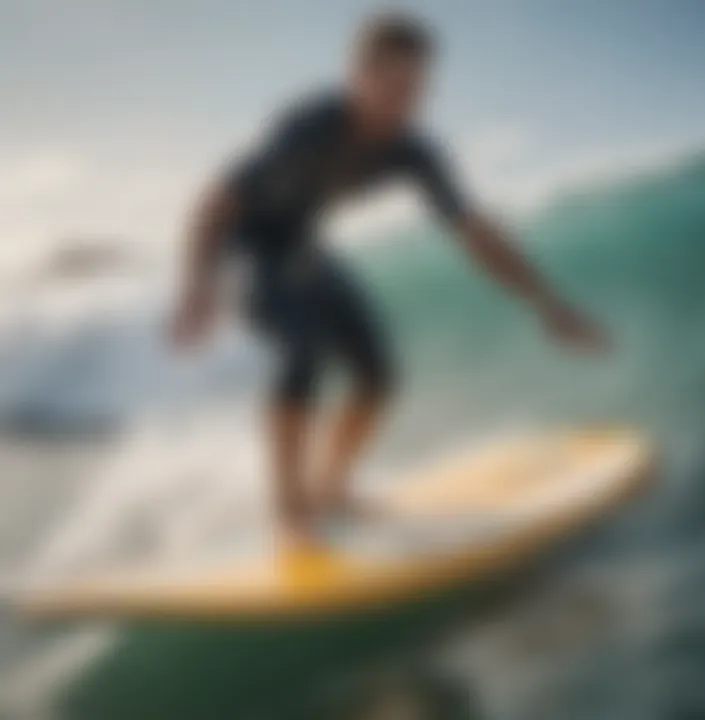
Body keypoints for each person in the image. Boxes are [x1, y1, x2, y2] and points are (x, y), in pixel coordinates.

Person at [171, 13, 607, 546]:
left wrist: (548, 303)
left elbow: (475, 231)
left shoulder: (414, 151)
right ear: (358, 77)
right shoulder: (311, 124)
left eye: (418, 89)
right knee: (302, 352)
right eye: (394, 86)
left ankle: (330, 487)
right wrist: (198, 283)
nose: (406, 103)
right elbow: (217, 200)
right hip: (246, 250)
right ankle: (288, 510)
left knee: (378, 375)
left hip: (304, 249)